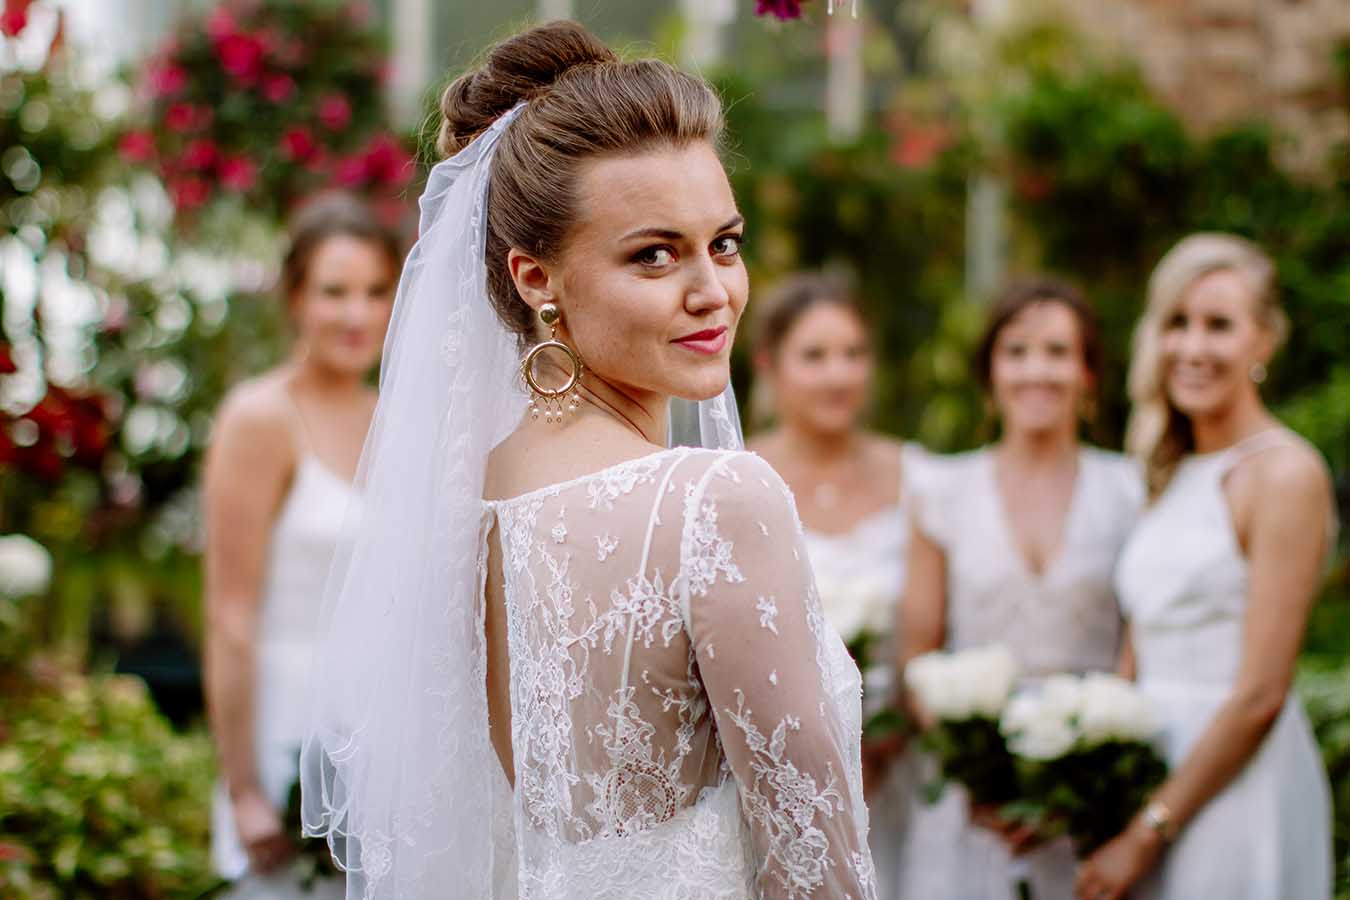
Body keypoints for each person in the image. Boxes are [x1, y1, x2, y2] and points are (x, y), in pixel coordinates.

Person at [299, 22, 876, 900]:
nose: (713, 292)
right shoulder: (715, 500)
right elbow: (819, 871)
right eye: (655, 255)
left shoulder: (460, 498)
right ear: (536, 278)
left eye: (724, 243)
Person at [1075, 234, 1335, 900]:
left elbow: (1261, 695)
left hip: (1232, 786)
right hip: (1147, 772)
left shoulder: (1285, 474)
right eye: (1177, 323)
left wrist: (1147, 833)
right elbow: (1138, 645)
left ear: (1264, 340)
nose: (1192, 348)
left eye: (1219, 325)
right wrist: (1088, 785)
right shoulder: (1168, 471)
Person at [896, 277, 1143, 899]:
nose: (1038, 370)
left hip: (1091, 798)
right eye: (1017, 351)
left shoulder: (1131, 492)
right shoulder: (941, 492)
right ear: (990, 373)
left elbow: (1139, 649)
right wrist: (982, 773)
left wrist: (1083, 778)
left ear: (1088, 373)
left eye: (1058, 352)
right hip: (972, 802)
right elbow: (916, 655)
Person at [202, 193, 400, 897]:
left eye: (376, 292)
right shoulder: (259, 418)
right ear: (294, 297)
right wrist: (244, 788)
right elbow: (229, 615)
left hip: (381, 734)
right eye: (334, 292)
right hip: (285, 725)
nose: (357, 315)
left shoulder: (396, 419)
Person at [748, 272, 926, 899]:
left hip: (898, 768)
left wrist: (888, 734)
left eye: (853, 354)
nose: (839, 375)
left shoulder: (919, 475)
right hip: (779, 772)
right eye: (816, 356)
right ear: (769, 365)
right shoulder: (739, 477)